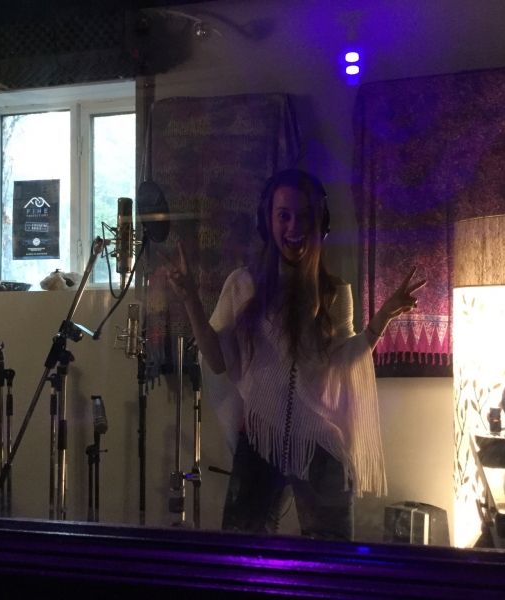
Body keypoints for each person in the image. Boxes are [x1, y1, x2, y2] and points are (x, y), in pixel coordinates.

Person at [165, 169, 425, 540]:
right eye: (283, 215)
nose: (294, 226)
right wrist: (190, 298)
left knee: (331, 558)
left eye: (304, 216)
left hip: (320, 443)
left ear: (320, 223)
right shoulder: (242, 285)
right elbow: (218, 360)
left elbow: (345, 362)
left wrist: (382, 318)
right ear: (267, 221)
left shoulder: (336, 293)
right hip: (259, 438)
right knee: (240, 553)